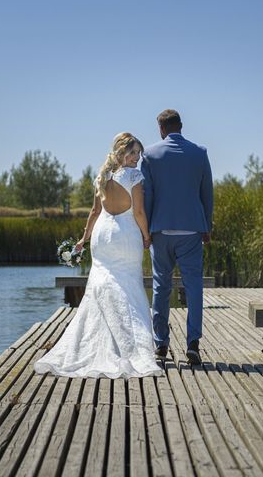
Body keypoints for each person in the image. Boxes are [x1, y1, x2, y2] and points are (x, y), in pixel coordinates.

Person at [34, 132, 163, 379]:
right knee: (127, 286)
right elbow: (137, 211)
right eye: (132, 152)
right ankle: (129, 347)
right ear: (121, 153)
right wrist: (146, 235)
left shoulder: (102, 177)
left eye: (138, 153)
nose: (137, 158)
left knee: (101, 286)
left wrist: (84, 239)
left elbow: (94, 212)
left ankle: (95, 344)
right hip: (125, 235)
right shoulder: (134, 177)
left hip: (102, 236)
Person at [141, 110, 214, 365]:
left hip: (161, 231)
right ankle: (193, 343)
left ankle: (161, 345)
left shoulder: (149, 155)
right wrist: (207, 226)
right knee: (194, 287)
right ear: (181, 127)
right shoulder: (200, 153)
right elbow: (207, 193)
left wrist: (146, 231)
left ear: (161, 128)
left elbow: (146, 196)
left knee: (161, 288)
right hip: (192, 230)